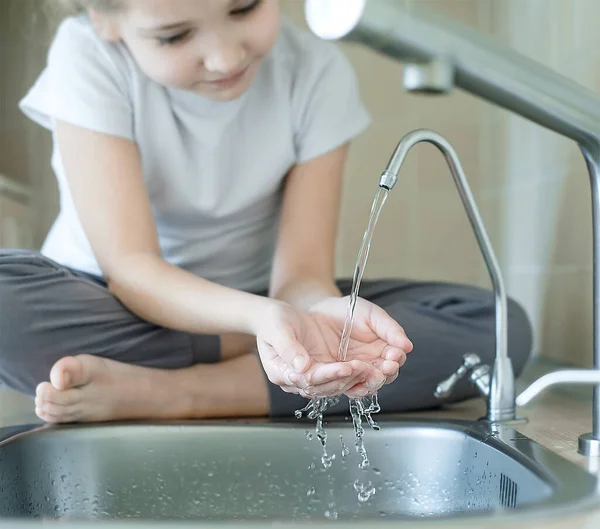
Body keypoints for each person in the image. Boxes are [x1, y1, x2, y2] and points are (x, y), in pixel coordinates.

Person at [0, 0, 532, 424]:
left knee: (502, 330)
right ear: (105, 19)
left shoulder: (317, 73)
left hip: (261, 304)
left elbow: (301, 278)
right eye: (175, 36)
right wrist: (264, 322)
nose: (226, 57)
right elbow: (131, 270)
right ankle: (259, 365)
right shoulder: (86, 54)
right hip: (110, 301)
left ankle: (175, 394)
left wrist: (303, 312)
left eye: (245, 7)